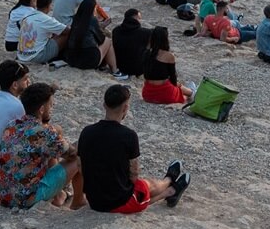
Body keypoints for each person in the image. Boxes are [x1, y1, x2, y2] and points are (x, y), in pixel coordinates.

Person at [79, 84, 189, 213]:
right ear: (125, 108)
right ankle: (169, 186)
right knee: (146, 186)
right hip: (117, 201)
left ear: (104, 105)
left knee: (144, 185)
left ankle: (169, 185)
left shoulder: (86, 132)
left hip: (94, 199)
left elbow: (82, 167)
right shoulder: (128, 136)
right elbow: (134, 175)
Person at [0, 83, 83, 209]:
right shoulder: (44, 133)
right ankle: (78, 200)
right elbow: (72, 154)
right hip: (26, 199)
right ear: (42, 109)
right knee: (79, 159)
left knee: (53, 142)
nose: (52, 108)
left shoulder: (11, 125)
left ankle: (59, 194)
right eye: (50, 105)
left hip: (4, 196)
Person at [143, 26, 196, 103]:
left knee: (170, 83)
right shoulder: (168, 56)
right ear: (165, 39)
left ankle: (191, 91)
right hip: (166, 94)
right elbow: (173, 79)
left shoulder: (146, 53)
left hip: (148, 93)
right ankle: (191, 92)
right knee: (178, 88)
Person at [16, 0, 69, 65]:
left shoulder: (27, 15)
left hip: (21, 54)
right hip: (36, 56)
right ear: (48, 6)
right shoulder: (46, 19)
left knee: (56, 32)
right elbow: (67, 31)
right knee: (66, 34)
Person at [64, 0, 114, 70]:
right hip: (88, 61)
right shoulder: (92, 20)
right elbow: (101, 39)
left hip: (72, 59)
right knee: (107, 41)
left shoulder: (75, 19)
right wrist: (102, 27)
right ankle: (115, 70)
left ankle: (105, 66)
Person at [111, 8, 152, 78]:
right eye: (139, 18)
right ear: (136, 18)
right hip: (137, 69)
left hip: (120, 66)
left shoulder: (115, 30)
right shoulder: (146, 33)